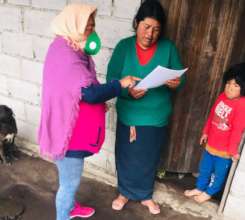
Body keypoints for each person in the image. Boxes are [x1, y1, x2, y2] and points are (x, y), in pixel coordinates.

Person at [38, 4, 139, 220]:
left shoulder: (68, 47)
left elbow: (80, 91)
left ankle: (71, 207)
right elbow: (90, 94)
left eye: (93, 26)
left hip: (69, 128)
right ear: (73, 25)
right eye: (87, 27)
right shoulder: (66, 55)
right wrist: (119, 84)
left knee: (68, 179)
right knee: (69, 183)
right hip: (68, 135)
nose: (91, 32)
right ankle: (63, 216)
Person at [106, 0, 186, 215]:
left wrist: (177, 81)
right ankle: (123, 192)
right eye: (146, 27)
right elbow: (112, 79)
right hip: (130, 114)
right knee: (126, 154)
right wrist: (127, 91)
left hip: (156, 115)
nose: (150, 34)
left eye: (156, 29)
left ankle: (145, 195)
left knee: (149, 156)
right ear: (136, 23)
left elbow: (180, 76)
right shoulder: (124, 46)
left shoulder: (168, 48)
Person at [184, 63, 245, 203]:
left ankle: (209, 192)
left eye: (236, 85)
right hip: (210, 144)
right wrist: (205, 132)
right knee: (204, 168)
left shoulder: (241, 105)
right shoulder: (222, 96)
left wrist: (232, 150)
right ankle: (200, 188)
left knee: (218, 174)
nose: (230, 87)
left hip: (224, 151)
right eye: (229, 83)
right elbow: (212, 116)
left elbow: (238, 129)